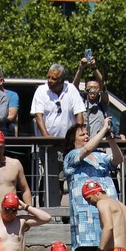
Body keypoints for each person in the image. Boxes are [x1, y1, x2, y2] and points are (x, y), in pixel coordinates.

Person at [61, 123, 122, 251]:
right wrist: (103, 129)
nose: (87, 136)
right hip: (85, 217)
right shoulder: (71, 156)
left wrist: (111, 141)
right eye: (82, 134)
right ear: (73, 139)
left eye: (87, 133)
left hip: (104, 214)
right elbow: (87, 149)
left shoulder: (99, 155)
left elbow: (118, 160)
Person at [31, 63, 85, 195]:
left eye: (53, 78)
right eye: (48, 77)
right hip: (48, 144)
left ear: (62, 80)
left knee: (64, 178)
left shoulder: (71, 89)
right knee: (50, 177)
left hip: (67, 143)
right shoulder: (41, 90)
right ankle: (46, 205)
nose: (49, 80)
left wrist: (79, 136)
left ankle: (60, 206)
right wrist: (46, 137)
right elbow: (38, 115)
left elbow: (79, 114)